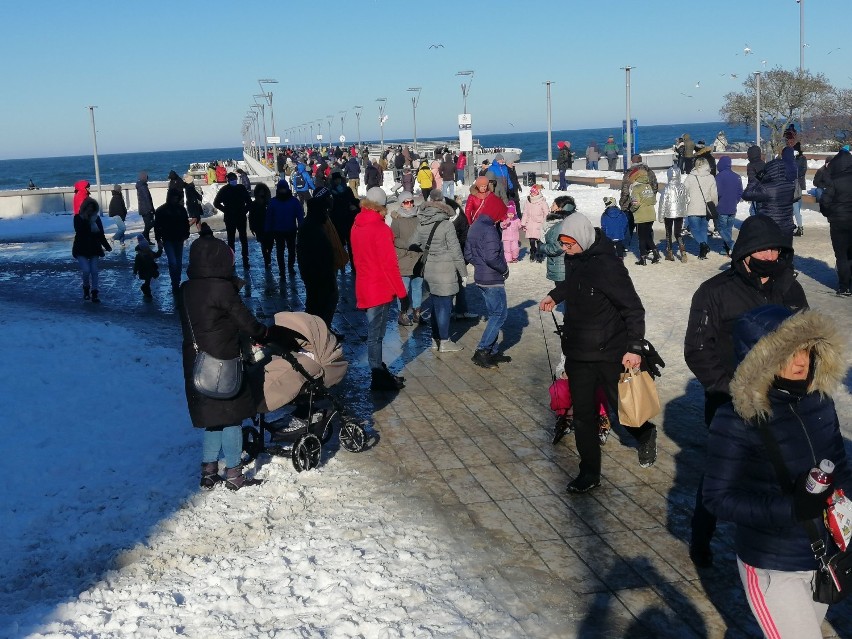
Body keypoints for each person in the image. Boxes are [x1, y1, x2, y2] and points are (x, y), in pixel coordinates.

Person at [703, 305, 850, 638]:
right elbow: (717, 498)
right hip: (771, 564)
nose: (800, 361)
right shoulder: (738, 419)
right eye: (788, 353)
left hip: (822, 555)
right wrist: (792, 508)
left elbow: (841, 468)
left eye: (806, 350)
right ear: (761, 360)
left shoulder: (820, 401)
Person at [684, 214, 808, 568]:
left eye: (776, 249)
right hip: (731, 403)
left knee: (781, 476)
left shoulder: (790, 288)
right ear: (745, 252)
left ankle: (778, 544)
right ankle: (701, 537)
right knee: (720, 475)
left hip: (783, 401)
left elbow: (805, 341)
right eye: (762, 249)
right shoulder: (713, 292)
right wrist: (730, 390)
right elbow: (698, 350)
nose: (770, 256)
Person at [539, 213, 658, 493]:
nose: (565, 250)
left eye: (569, 245)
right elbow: (577, 284)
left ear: (582, 239)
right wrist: (556, 295)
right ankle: (589, 472)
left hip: (609, 351)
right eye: (563, 246)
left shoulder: (608, 265)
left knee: (622, 407)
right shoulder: (574, 259)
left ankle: (645, 433)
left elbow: (632, 308)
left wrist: (634, 347)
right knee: (583, 415)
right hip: (578, 351)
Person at [179, 223, 287, 491]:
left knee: (212, 418)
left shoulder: (186, 288)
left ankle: (208, 472)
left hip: (196, 362)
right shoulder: (222, 289)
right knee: (231, 416)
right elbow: (248, 324)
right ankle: (235, 474)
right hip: (224, 362)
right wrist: (267, 333)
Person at [350, 187, 408, 391]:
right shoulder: (381, 230)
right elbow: (390, 265)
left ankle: (380, 370)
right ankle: (378, 374)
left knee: (374, 333)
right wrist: (402, 293)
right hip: (380, 288)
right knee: (376, 335)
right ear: (382, 207)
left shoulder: (356, 224)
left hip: (365, 285)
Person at [409, 189, 468, 353]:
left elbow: (412, 243)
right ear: (442, 203)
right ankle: (444, 341)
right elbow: (456, 252)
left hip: (429, 269)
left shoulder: (422, 222)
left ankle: (435, 339)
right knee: (444, 306)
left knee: (435, 305)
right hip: (446, 270)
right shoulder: (446, 225)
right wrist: (463, 273)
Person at [464, 204, 510, 369]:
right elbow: (492, 257)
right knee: (500, 314)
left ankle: (492, 350)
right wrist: (504, 269)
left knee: (494, 314)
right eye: (501, 215)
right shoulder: (489, 229)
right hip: (492, 279)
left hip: (481, 277)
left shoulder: (475, 226)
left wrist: (479, 265)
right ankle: (482, 350)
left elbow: (468, 254)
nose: (502, 219)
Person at [297, 196, 339, 329]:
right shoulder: (311, 228)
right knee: (319, 306)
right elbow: (314, 256)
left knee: (322, 305)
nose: (326, 214)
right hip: (318, 276)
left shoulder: (314, 225)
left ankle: (323, 330)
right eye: (324, 211)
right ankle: (318, 333)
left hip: (320, 275)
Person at [744, 146, 798, 238]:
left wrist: (756, 179)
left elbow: (747, 193)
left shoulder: (751, 166)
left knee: (755, 211)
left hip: (759, 191)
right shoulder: (789, 184)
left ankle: (758, 229)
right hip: (786, 227)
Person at [72, 181, 112, 302]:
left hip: (94, 247)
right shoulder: (78, 218)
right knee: (86, 270)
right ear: (84, 208)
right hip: (81, 248)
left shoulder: (96, 218)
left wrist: (106, 246)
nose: (90, 211)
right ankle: (86, 288)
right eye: (88, 208)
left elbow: (100, 234)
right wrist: (88, 221)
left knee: (94, 271)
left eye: (92, 208)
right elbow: (79, 231)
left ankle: (94, 292)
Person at [820, 147, 852, 295]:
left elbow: (825, 202)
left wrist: (829, 214)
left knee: (841, 255)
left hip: (838, 222)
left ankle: (844, 285)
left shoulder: (834, 181)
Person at [390, 191, 423, 326]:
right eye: (406, 202)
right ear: (401, 204)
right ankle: (402, 314)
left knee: (418, 286)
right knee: (404, 288)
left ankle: (417, 313)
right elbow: (394, 238)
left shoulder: (418, 217)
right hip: (403, 257)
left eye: (411, 202)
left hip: (418, 257)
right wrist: (408, 244)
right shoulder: (397, 220)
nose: (409, 204)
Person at [154, 184, 193, 293]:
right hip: (167, 239)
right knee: (173, 262)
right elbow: (157, 226)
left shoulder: (181, 209)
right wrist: (158, 239)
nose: (175, 199)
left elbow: (186, 223)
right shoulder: (161, 210)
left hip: (179, 239)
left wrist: (186, 234)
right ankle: (174, 282)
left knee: (178, 262)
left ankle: (177, 281)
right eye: (174, 197)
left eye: (177, 197)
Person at [265, 180, 304, 278]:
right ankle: (282, 270)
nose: (282, 191)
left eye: (284, 189)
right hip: (278, 231)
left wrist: (302, 228)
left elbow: (300, 216)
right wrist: (267, 230)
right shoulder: (273, 202)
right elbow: (269, 217)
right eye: (281, 189)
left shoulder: (294, 201)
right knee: (280, 251)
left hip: (291, 230)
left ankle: (290, 267)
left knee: (291, 250)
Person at [213, 172, 252, 268]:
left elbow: (249, 202)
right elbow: (216, 203)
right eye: (231, 179)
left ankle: (245, 259)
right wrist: (226, 210)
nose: (233, 181)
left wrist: (244, 211)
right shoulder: (225, 190)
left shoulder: (241, 188)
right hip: (231, 217)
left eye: (234, 178)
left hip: (239, 217)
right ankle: (232, 259)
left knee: (242, 239)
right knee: (232, 239)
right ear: (228, 180)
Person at [619, 154, 658, 246]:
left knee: (629, 225)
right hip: (647, 204)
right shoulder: (650, 172)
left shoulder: (630, 173)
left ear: (632, 161)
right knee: (647, 227)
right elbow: (655, 187)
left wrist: (622, 202)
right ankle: (649, 246)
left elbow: (625, 190)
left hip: (631, 204)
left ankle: (625, 245)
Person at [683, 156, 718, 259]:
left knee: (694, 230)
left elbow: (683, 191)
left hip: (693, 207)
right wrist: (714, 205)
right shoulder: (711, 177)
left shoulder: (691, 177)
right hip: (706, 208)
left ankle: (703, 245)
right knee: (703, 230)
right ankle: (703, 252)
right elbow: (714, 194)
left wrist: (687, 200)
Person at [539, 195, 577, 283]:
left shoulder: (560, 224)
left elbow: (557, 247)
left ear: (560, 208)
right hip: (562, 266)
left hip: (562, 267)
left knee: (563, 293)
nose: (551, 206)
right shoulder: (566, 221)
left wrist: (541, 247)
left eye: (553, 204)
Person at [626, 162, 659, 265]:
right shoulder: (648, 186)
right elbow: (654, 200)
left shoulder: (636, 188)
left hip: (641, 216)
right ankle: (655, 253)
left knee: (641, 238)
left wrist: (631, 209)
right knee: (648, 235)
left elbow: (635, 203)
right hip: (651, 214)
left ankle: (642, 258)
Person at [328, 172, 360, 272]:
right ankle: (341, 265)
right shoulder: (331, 192)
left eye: (338, 179)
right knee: (340, 245)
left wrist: (355, 206)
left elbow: (353, 200)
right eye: (335, 179)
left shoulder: (347, 189)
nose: (337, 181)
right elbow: (331, 208)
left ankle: (353, 267)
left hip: (348, 220)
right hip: (337, 221)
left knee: (351, 245)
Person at [656, 166, 689, 262]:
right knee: (678, 233)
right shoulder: (682, 186)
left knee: (668, 233)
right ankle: (683, 250)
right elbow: (688, 199)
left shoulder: (667, 188)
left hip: (668, 213)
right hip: (680, 213)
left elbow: (662, 203)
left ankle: (670, 253)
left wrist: (660, 216)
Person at [714, 156, 743, 257]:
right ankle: (725, 249)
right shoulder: (737, 176)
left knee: (721, 229)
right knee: (728, 229)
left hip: (722, 207)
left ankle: (732, 245)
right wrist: (735, 201)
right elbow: (740, 192)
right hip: (732, 207)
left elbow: (717, 193)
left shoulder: (718, 177)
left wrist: (717, 202)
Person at [521, 183, 548, 262]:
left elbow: (546, 213)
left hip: (539, 224)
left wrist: (544, 222)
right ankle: (533, 250)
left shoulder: (542, 201)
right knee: (531, 240)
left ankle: (539, 253)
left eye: (534, 192)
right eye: (531, 192)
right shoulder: (528, 201)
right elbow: (525, 212)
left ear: (538, 192)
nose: (532, 194)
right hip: (530, 223)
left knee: (539, 240)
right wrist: (523, 222)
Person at [248, 183, 272, 269]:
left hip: (270, 227)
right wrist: (252, 227)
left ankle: (268, 254)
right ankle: (266, 257)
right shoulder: (254, 204)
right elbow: (251, 216)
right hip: (259, 227)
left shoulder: (269, 203)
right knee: (264, 243)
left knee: (270, 243)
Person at [135, 171, 156, 244]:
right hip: (146, 209)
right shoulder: (143, 186)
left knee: (147, 225)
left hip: (144, 209)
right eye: (147, 177)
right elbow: (147, 199)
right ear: (144, 178)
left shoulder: (141, 185)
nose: (148, 178)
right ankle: (143, 235)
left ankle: (147, 240)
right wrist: (151, 209)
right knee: (150, 225)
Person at [792, 142, 807, 236]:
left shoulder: (801, 159)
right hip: (797, 185)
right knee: (796, 206)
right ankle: (799, 226)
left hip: (796, 185)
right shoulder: (797, 159)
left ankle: (799, 226)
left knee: (796, 206)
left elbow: (803, 170)